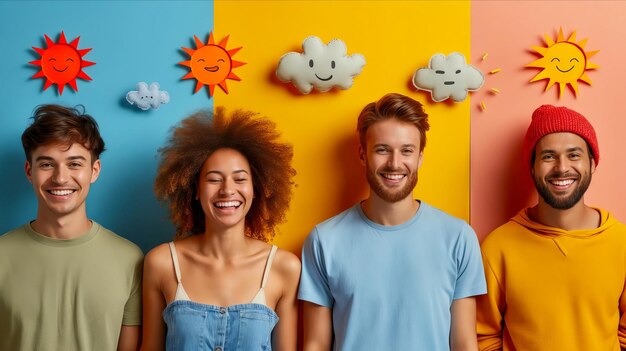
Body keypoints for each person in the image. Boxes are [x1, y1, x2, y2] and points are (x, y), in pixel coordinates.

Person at [299, 93, 486, 351]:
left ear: (420, 157)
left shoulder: (459, 238)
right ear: (363, 154)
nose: (395, 163)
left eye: (407, 151)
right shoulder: (323, 240)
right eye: (382, 149)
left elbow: (464, 343)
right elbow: (315, 344)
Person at [141, 107, 301, 351]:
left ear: (256, 189)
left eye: (240, 179)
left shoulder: (284, 267)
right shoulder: (161, 262)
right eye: (214, 179)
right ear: (194, 189)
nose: (227, 190)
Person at [476, 105, 626, 350]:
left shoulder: (621, 242)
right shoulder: (498, 247)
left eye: (574, 155)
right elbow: (483, 337)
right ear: (532, 167)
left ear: (592, 163)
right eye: (548, 156)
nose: (562, 167)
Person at [0, 104, 143, 351]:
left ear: (94, 171)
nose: (60, 178)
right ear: (29, 172)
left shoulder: (131, 259)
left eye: (74, 164)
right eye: (46, 164)